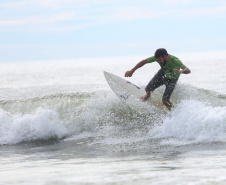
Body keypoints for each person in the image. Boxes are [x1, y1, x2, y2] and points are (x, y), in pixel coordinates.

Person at [125, 48, 191, 110]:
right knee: (147, 89)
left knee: (165, 100)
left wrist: (181, 71)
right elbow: (144, 61)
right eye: (158, 60)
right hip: (163, 73)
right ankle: (147, 96)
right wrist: (132, 71)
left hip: (173, 78)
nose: (159, 62)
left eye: (160, 60)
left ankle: (174, 112)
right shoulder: (158, 58)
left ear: (165, 57)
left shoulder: (175, 60)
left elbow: (188, 70)